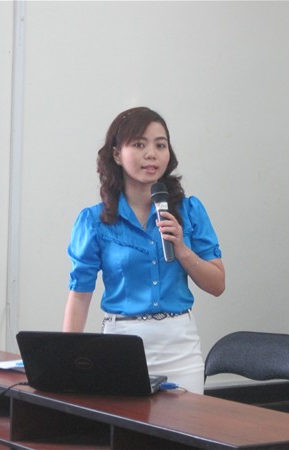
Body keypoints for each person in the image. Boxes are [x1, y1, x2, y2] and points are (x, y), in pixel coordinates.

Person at [62, 107, 225, 394]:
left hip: (180, 347)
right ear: (116, 154)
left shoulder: (189, 211)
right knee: (123, 423)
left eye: (160, 145)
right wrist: (66, 362)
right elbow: (79, 296)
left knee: (186, 423)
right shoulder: (95, 221)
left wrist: (182, 250)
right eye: (139, 144)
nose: (151, 154)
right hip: (121, 345)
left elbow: (217, 285)